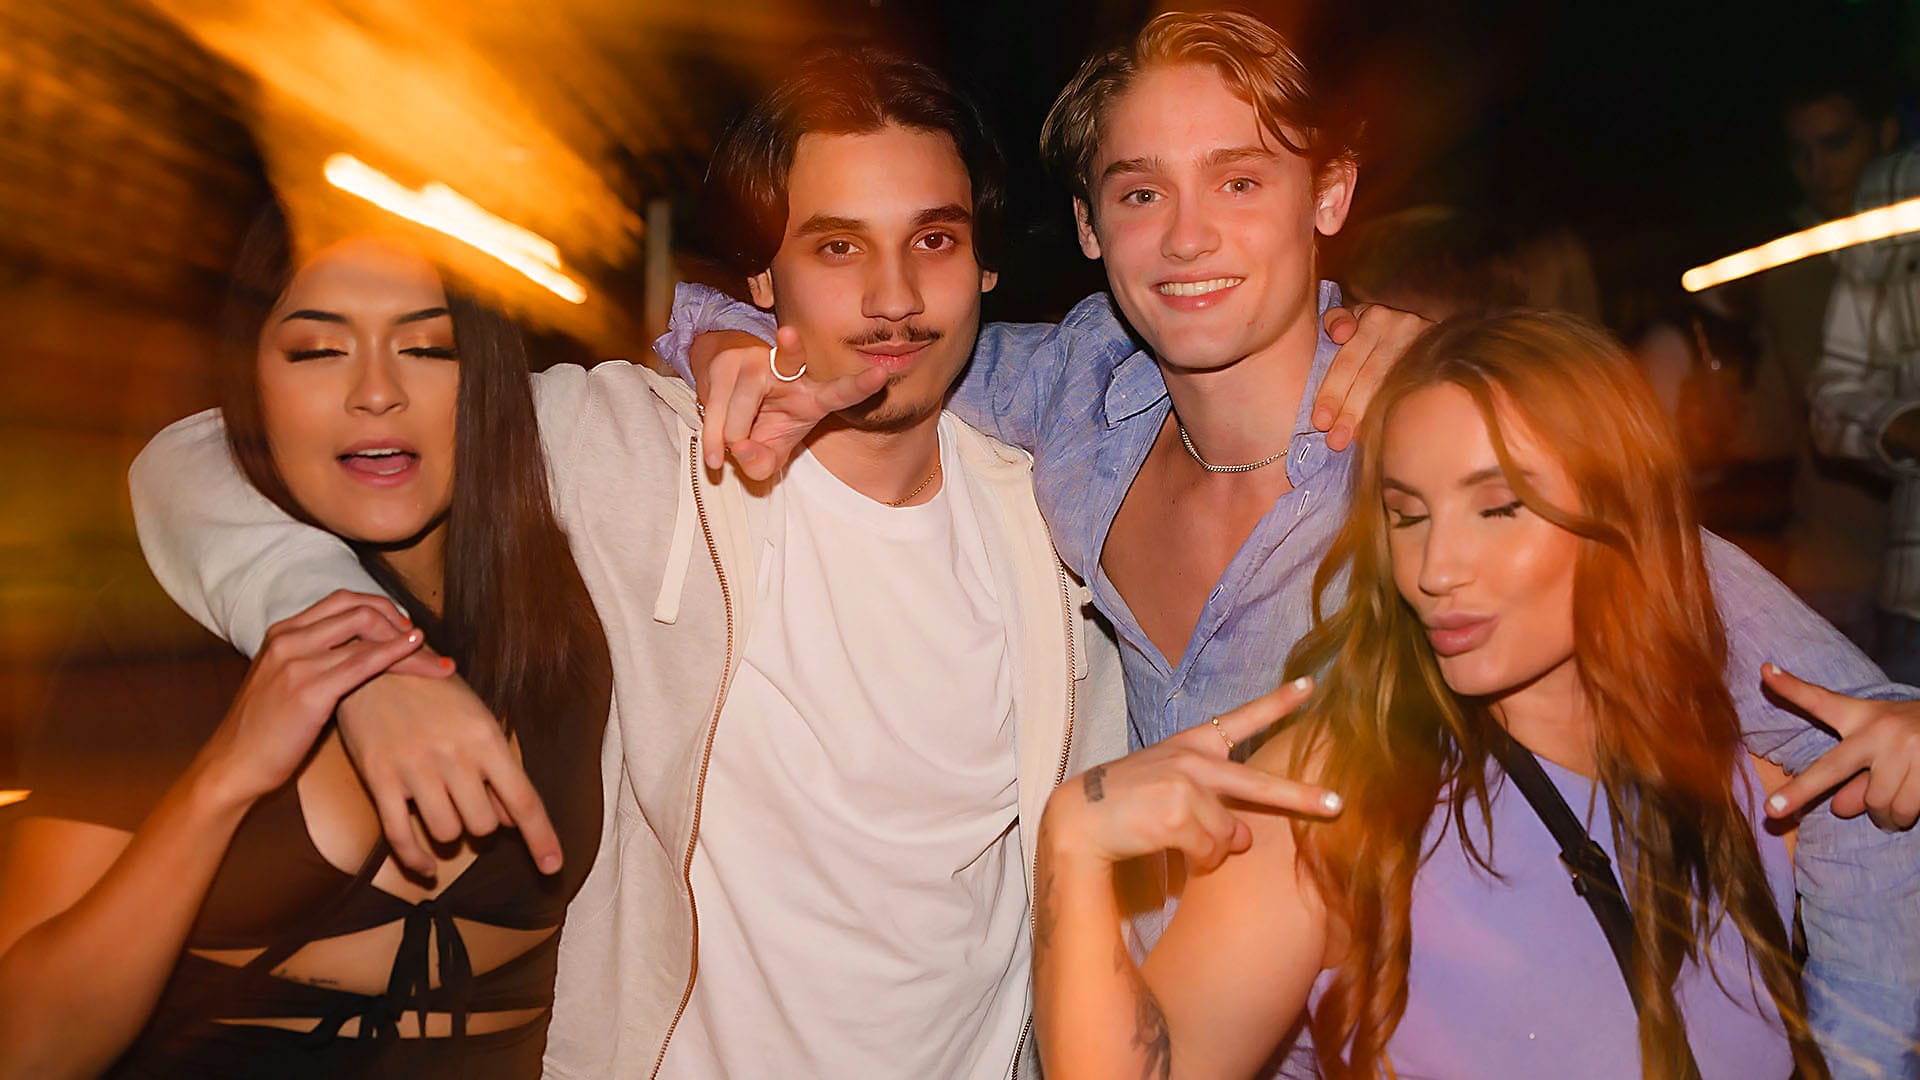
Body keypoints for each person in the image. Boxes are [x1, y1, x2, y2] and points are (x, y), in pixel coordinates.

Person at [663, 11, 1920, 1070]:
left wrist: (1862, 1053)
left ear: (1331, 193)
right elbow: (870, 325)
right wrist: (722, 333)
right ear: (1090, 228)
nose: (1187, 237)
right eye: (1140, 192)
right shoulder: (1070, 395)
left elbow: (1862, 747)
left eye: (1240, 180)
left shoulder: (1437, 448)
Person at [125, 50, 1129, 1079]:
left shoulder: (1056, 527)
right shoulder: (638, 455)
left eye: (934, 240)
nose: (894, 296)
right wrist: (367, 660)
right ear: (760, 280)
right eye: (837, 246)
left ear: (985, 264)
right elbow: (198, 460)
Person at [1034, 311, 1836, 1079]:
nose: (1436, 568)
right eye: (1407, 516)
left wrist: (1892, 752)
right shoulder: (1331, 797)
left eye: (1498, 507)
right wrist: (1074, 846)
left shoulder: (1759, 781)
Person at [0, 210, 612, 1077]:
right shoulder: (165, 638)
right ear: (250, 385)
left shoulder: (583, 623)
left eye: (427, 347)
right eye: (318, 350)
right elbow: (24, 1048)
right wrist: (226, 779)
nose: (375, 391)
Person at [1810, 143, 1920, 684]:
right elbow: (1835, 395)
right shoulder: (1896, 189)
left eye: (1831, 146)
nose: (1819, 168)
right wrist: (1907, 426)